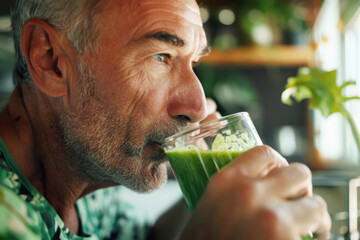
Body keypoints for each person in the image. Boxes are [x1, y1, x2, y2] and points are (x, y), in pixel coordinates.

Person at [0, 0, 331, 239]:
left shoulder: (90, 180)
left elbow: (152, 236)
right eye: (161, 56)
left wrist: (217, 198)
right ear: (51, 61)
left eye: (193, 62)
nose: (198, 106)